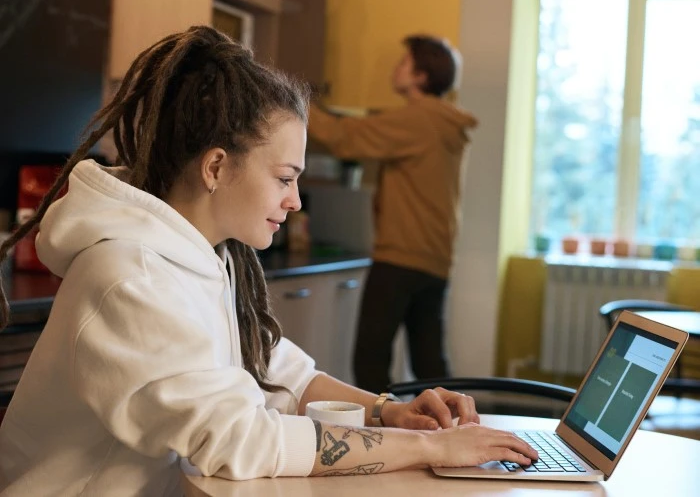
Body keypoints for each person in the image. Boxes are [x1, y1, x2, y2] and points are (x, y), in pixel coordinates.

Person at [0, 27, 535, 495]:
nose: (295, 200)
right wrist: (430, 451)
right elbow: (242, 442)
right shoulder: (132, 276)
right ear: (216, 167)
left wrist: (388, 411)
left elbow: (278, 371)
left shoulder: (204, 257)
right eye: (284, 177)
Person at [307, 35, 478, 393]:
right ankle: (454, 431)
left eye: (404, 63)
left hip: (400, 257)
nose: (395, 68)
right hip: (435, 258)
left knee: (369, 359)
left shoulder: (418, 119)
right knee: (429, 362)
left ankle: (382, 436)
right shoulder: (445, 122)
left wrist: (290, 99)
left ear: (421, 76)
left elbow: (344, 137)